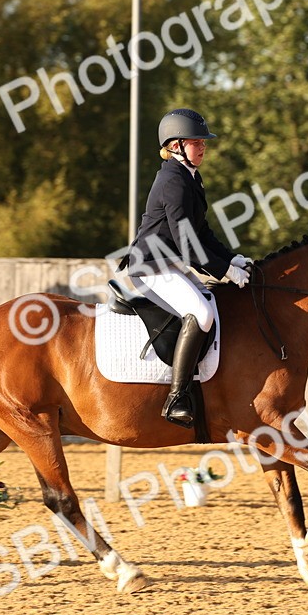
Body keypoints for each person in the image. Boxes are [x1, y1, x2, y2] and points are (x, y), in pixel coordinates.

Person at [119, 108, 253, 425]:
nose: (203, 146)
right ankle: (176, 398)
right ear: (177, 145)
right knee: (202, 313)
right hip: (151, 267)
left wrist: (230, 258)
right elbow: (187, 244)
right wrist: (224, 272)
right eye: (196, 142)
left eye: (203, 142)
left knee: (211, 304)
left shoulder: (190, 177)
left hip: (169, 263)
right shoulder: (172, 181)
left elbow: (201, 232)